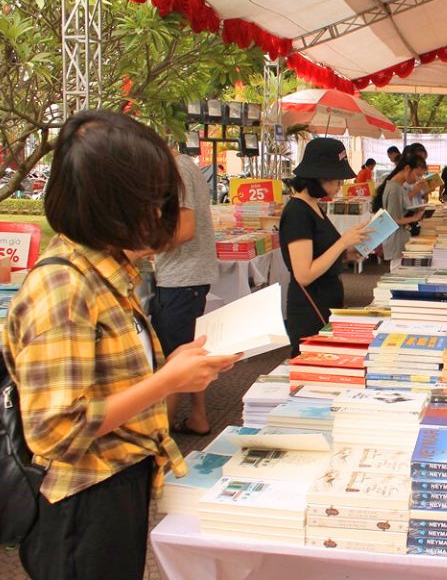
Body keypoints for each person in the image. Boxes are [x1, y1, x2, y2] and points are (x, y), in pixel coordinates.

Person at [3, 110, 240, 580]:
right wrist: (166, 382)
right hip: (81, 500)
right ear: (111, 204)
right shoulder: (65, 288)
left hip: (116, 482)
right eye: (152, 202)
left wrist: (173, 368)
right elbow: (56, 430)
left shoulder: (105, 273)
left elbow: (108, 383)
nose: (161, 216)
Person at [280, 138, 371, 355]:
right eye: (337, 180)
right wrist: (342, 243)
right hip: (309, 308)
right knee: (312, 366)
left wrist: (350, 251)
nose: (340, 185)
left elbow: (324, 253)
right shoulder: (297, 212)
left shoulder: (314, 205)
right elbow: (304, 274)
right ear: (317, 177)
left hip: (327, 299)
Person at [151, 152, 219, 437]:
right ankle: (198, 416)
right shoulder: (186, 164)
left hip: (180, 276)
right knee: (190, 350)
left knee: (173, 358)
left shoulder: (175, 168)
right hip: (189, 276)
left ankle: (159, 440)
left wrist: (137, 246)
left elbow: (185, 229)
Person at [381, 152, 427, 271]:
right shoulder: (395, 188)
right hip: (397, 240)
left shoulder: (398, 186)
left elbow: (402, 209)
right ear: (407, 168)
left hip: (401, 239)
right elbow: (393, 219)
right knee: (398, 273)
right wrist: (415, 217)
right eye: (417, 175)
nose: (417, 179)